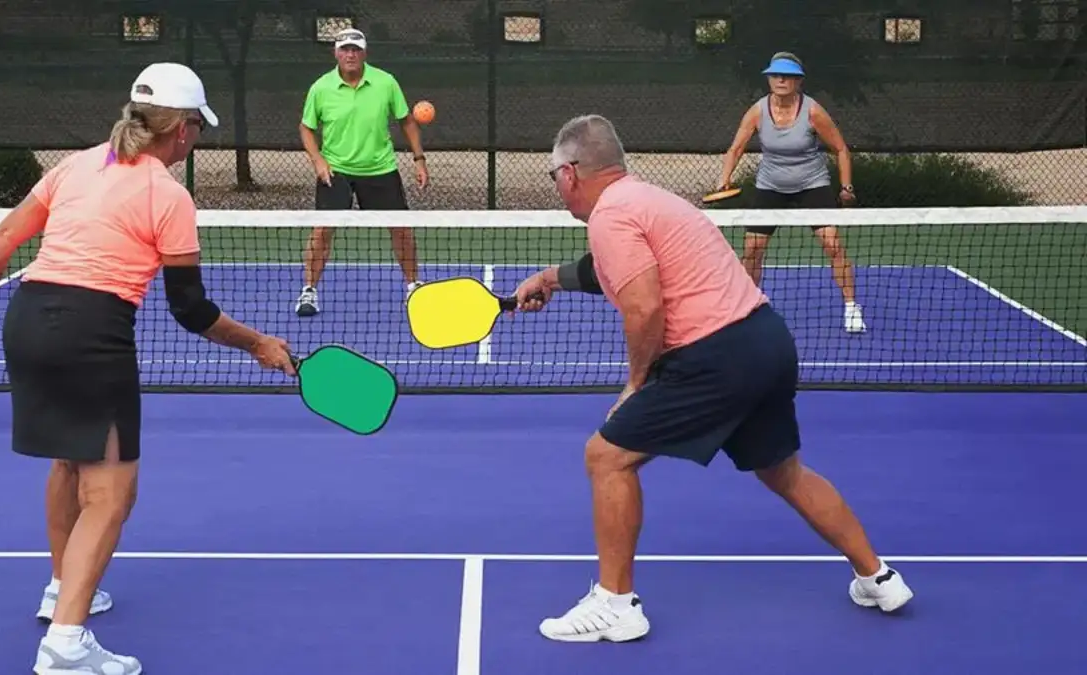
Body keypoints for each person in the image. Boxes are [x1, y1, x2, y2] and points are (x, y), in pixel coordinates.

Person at [0, 62, 294, 674]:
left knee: (69, 460)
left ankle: (63, 588)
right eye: (197, 128)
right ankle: (66, 645)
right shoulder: (168, 195)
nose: (196, 138)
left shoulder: (78, 163)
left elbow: (4, 235)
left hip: (26, 320)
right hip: (89, 336)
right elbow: (191, 309)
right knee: (111, 492)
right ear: (180, 129)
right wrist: (258, 343)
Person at [511, 114, 912, 644]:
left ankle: (615, 604)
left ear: (569, 174)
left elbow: (644, 305)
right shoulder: (649, 200)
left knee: (606, 457)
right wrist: (549, 279)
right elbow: (612, 269)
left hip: (715, 356)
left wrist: (637, 383)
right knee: (784, 472)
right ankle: (878, 577)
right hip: (766, 341)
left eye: (553, 177)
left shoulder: (609, 216)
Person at [718, 51, 866, 333]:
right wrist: (724, 179)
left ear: (799, 82)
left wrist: (846, 188)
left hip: (812, 184)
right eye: (776, 75)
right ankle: (747, 309)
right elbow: (735, 148)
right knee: (752, 249)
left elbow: (841, 149)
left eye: (788, 76)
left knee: (833, 245)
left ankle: (851, 308)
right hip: (770, 186)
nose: (781, 79)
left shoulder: (812, 111)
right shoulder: (758, 111)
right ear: (768, 79)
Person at [295, 27, 429, 317]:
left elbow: (407, 121)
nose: (350, 54)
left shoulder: (385, 83)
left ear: (364, 52)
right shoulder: (321, 88)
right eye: (345, 49)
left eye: (355, 49)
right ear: (336, 53)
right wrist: (318, 160)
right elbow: (306, 128)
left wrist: (419, 159)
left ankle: (413, 287)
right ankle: (309, 291)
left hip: (381, 169)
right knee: (322, 230)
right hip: (336, 171)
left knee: (401, 229)